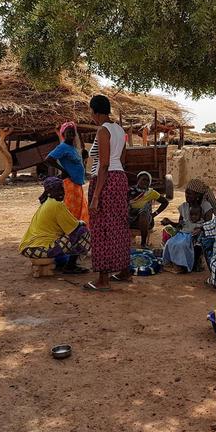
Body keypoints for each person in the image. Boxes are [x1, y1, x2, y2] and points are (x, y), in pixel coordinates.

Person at [84, 94, 133, 291]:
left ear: (95, 111)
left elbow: (104, 164)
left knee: (102, 227)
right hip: (120, 179)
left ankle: (103, 280)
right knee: (120, 225)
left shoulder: (102, 131)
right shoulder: (120, 131)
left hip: (105, 180)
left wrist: (96, 197)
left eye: (91, 111)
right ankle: (124, 271)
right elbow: (121, 159)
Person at [19, 176, 90, 273]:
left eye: (61, 189)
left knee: (68, 235)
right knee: (83, 231)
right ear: (49, 192)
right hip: (40, 247)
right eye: (58, 190)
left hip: (28, 247)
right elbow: (74, 227)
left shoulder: (46, 203)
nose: (61, 193)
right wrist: (82, 223)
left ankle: (63, 262)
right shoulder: (57, 205)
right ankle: (71, 266)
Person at [161, 183, 214, 272]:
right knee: (170, 242)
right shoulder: (184, 206)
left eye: (189, 194)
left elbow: (208, 226)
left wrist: (198, 230)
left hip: (197, 234)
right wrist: (169, 222)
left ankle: (187, 264)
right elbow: (180, 225)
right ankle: (174, 262)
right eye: (186, 193)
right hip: (184, 233)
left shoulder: (206, 206)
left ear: (197, 195)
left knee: (183, 244)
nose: (186, 196)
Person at [45, 121, 89, 222]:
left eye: (72, 133)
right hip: (70, 182)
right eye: (68, 132)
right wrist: (63, 170)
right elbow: (48, 159)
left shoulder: (72, 148)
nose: (71, 135)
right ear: (63, 134)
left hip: (77, 183)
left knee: (78, 209)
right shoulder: (62, 147)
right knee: (72, 210)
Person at [128, 171, 169, 248]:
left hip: (145, 218)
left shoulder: (151, 192)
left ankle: (143, 243)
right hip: (130, 216)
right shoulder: (130, 190)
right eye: (143, 179)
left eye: (147, 181)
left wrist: (154, 214)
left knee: (144, 211)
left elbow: (165, 202)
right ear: (138, 179)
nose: (145, 182)